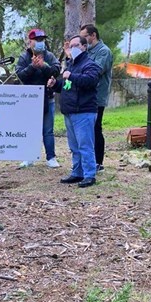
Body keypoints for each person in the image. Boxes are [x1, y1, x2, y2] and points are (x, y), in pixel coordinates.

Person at [48, 35, 101, 188]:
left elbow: (90, 81)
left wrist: (72, 76)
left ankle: (89, 174)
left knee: (85, 145)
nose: (72, 49)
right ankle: (77, 172)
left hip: (84, 111)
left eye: (76, 45)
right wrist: (55, 84)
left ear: (84, 47)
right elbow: (68, 86)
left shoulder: (90, 64)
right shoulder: (71, 64)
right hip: (70, 111)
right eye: (71, 46)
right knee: (74, 146)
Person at [16, 28, 61, 168]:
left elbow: (56, 70)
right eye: (37, 40)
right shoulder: (24, 57)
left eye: (42, 40)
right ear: (30, 41)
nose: (40, 42)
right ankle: (28, 157)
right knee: (29, 129)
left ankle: (51, 157)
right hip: (29, 100)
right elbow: (20, 75)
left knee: (48, 130)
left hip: (47, 98)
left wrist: (43, 66)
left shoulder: (49, 56)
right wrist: (32, 67)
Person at [80, 25, 113, 172]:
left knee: (96, 128)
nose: (83, 40)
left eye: (85, 36)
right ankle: (88, 160)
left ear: (93, 36)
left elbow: (95, 71)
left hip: (97, 96)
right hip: (85, 96)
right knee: (87, 129)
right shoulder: (87, 51)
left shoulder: (103, 52)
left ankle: (98, 162)